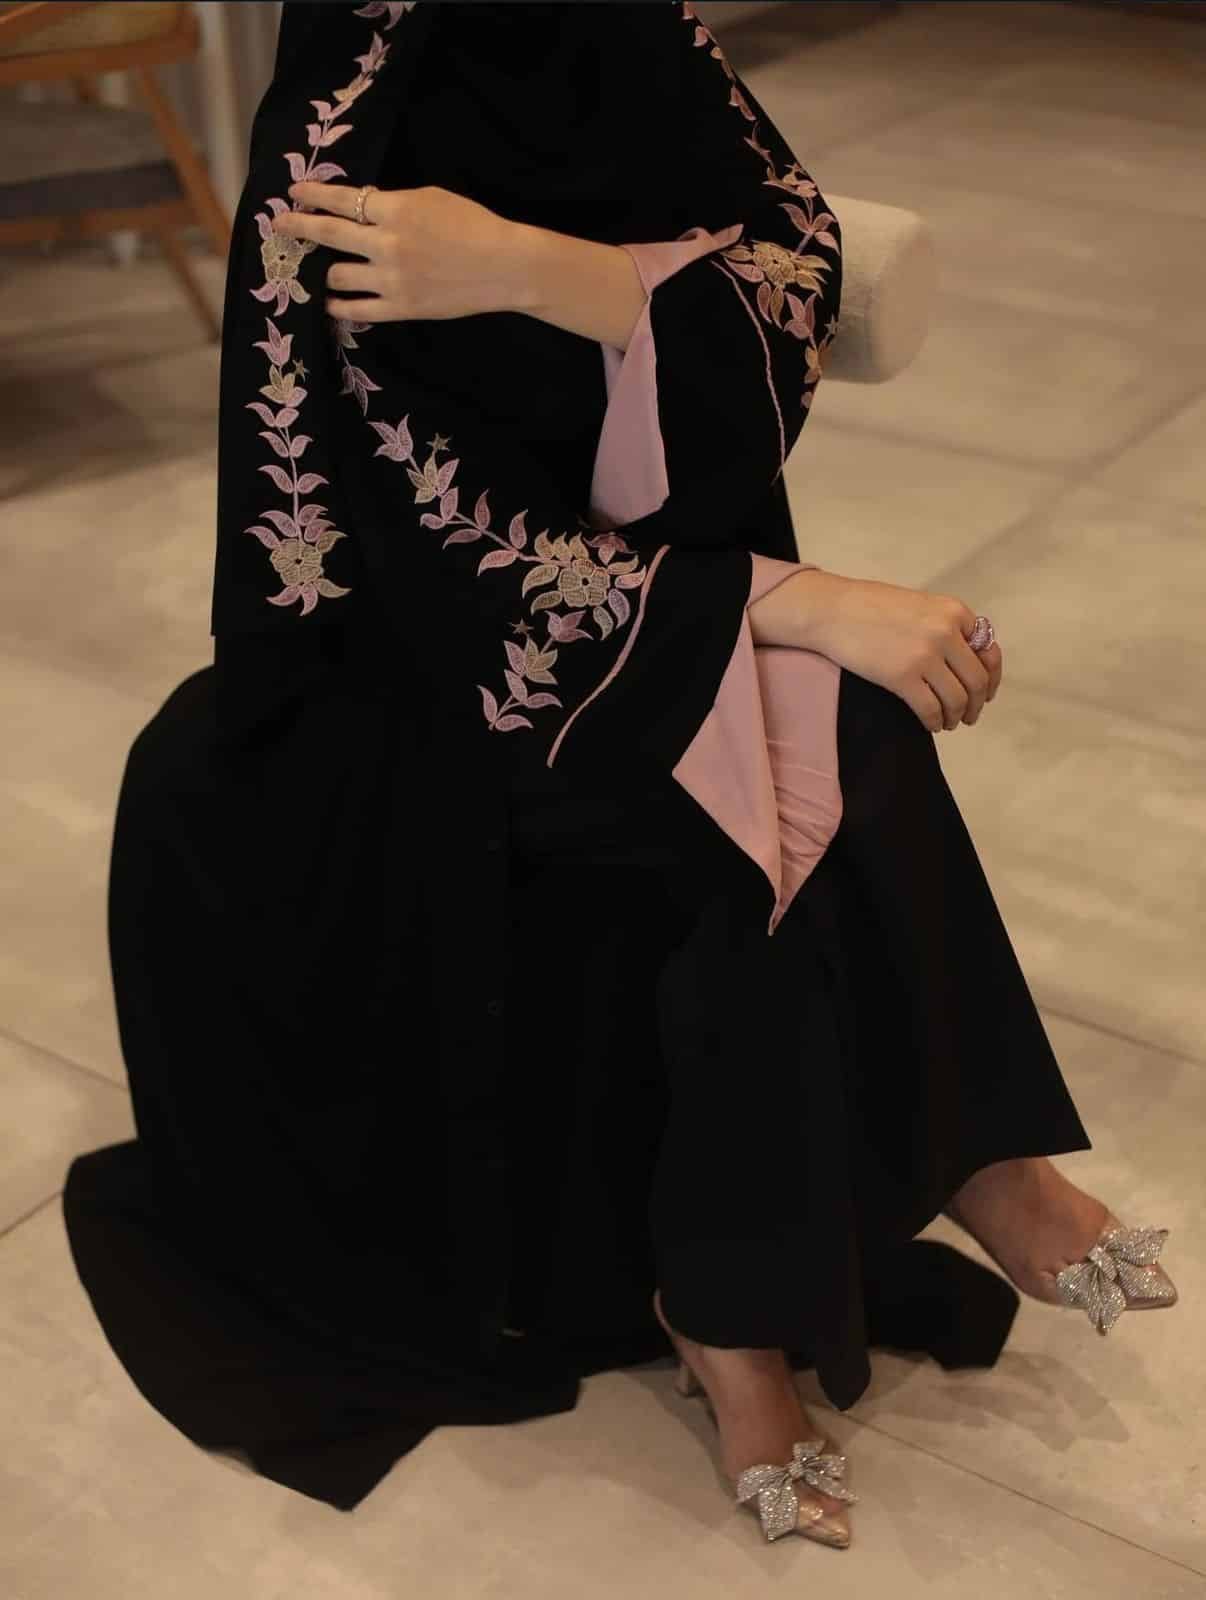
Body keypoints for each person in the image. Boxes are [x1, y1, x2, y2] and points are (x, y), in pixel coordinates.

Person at [61, 0, 1178, 1549]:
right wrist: (776, 602)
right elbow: (407, 522)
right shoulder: (359, 90)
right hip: (393, 666)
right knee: (720, 794)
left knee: (831, 735)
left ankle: (828, 1251)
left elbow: (790, 276)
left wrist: (552, 274)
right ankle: (866, 1235)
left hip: (623, 590)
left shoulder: (630, 28)